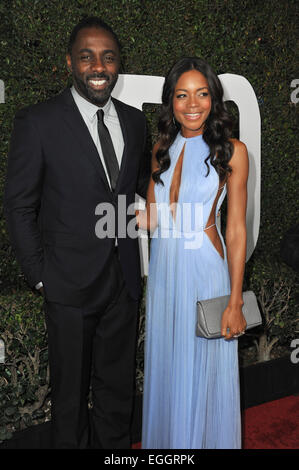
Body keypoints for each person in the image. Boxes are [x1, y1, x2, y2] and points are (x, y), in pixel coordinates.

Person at [4, 17, 149, 449]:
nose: (99, 66)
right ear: (70, 62)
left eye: (108, 57)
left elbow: (137, 183)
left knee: (117, 392)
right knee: (69, 401)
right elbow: (19, 205)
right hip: (66, 286)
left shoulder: (134, 121)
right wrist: (41, 276)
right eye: (87, 56)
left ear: (118, 63)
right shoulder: (39, 122)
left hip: (122, 282)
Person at [138, 57, 248, 449]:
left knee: (202, 372)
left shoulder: (233, 151)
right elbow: (153, 217)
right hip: (166, 271)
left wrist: (235, 299)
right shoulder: (160, 148)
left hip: (205, 270)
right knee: (170, 369)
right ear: (170, 102)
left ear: (213, 99)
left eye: (201, 93)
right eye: (182, 95)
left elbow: (235, 230)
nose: (192, 104)